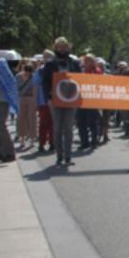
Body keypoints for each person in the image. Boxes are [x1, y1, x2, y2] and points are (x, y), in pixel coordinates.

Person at [42, 37, 82, 166]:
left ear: (68, 48)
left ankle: (68, 157)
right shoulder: (50, 64)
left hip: (71, 100)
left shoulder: (74, 63)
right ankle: (59, 156)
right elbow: (45, 83)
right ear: (56, 48)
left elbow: (81, 80)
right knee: (58, 128)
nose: (62, 48)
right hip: (55, 100)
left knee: (69, 129)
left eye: (64, 46)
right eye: (60, 46)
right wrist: (48, 99)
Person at [77, 54, 102, 150]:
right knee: (81, 122)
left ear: (93, 62)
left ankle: (94, 141)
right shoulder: (81, 71)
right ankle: (84, 142)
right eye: (85, 60)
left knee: (92, 122)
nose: (87, 62)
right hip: (81, 100)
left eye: (89, 60)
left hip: (92, 100)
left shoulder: (97, 71)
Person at [34, 50, 54, 153]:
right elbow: (35, 86)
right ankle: (42, 143)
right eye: (45, 57)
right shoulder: (40, 71)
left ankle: (52, 142)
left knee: (53, 123)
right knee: (43, 123)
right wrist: (35, 101)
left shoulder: (56, 69)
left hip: (54, 101)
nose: (47, 59)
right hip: (43, 101)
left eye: (49, 57)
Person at [16, 60, 37, 150]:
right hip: (21, 98)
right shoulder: (18, 77)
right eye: (26, 72)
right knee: (21, 119)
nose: (27, 74)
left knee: (31, 118)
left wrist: (34, 100)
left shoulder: (34, 77)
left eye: (29, 72)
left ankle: (32, 139)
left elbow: (35, 89)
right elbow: (16, 88)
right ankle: (22, 139)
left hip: (30, 98)